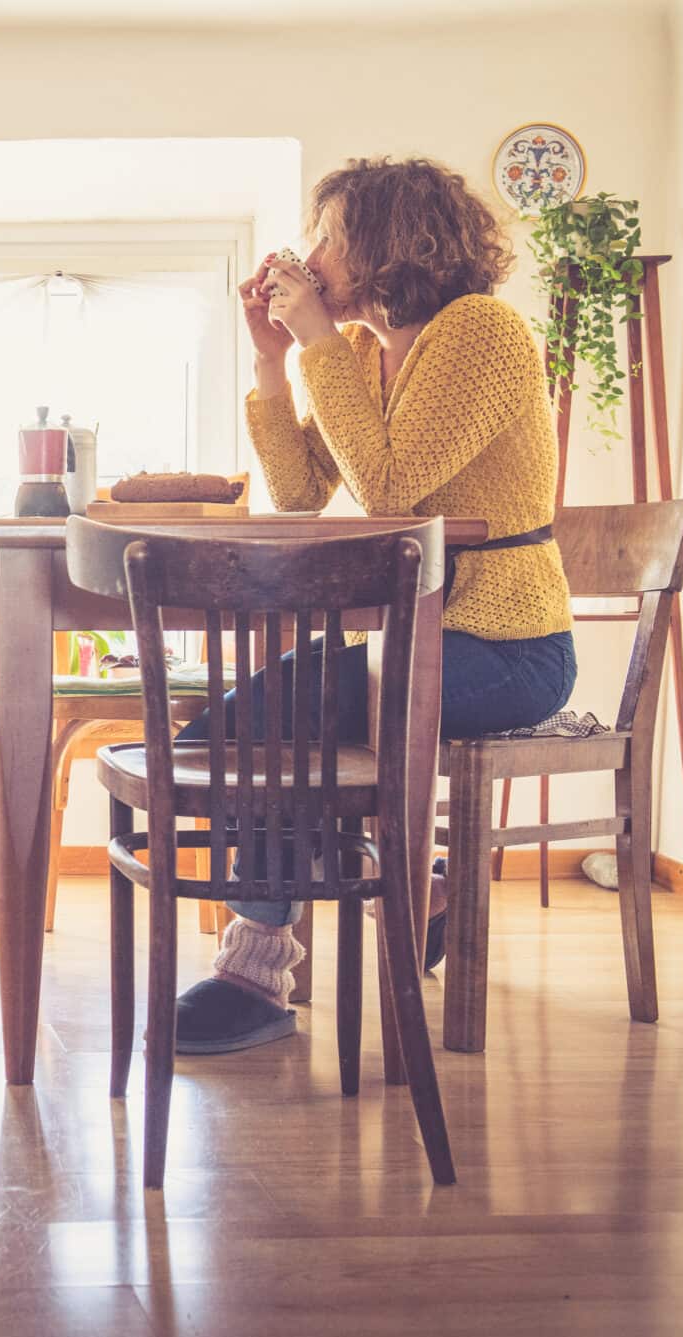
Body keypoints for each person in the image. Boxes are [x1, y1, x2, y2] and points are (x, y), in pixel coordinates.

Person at [171, 156, 577, 1053]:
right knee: (235, 728)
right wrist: (275, 362)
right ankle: (404, 880)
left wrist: (312, 336)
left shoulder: (482, 333)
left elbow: (392, 487)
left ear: (390, 243)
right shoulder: (360, 352)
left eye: (328, 237)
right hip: (416, 641)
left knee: (264, 727)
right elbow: (301, 493)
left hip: (505, 646)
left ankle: (254, 971)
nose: (310, 255)